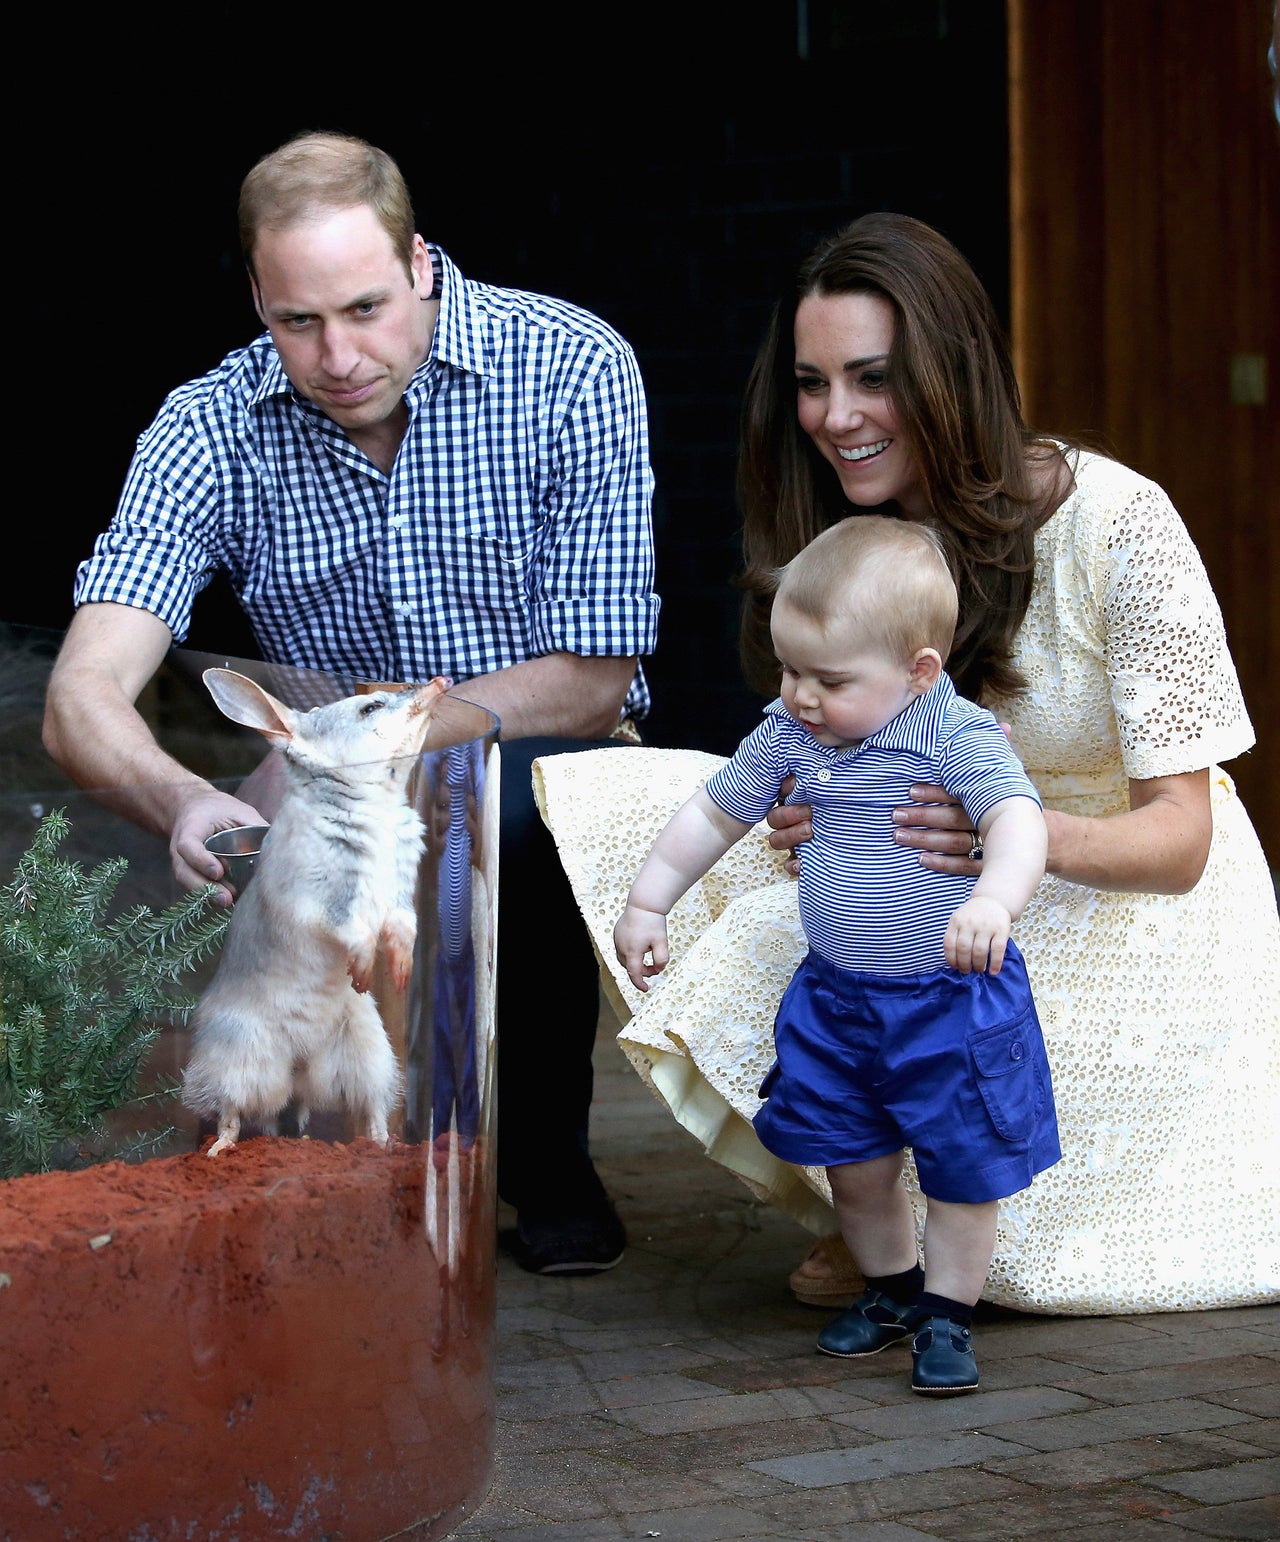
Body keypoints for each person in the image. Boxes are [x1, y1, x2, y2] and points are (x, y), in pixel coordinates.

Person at [531, 211, 1280, 1317]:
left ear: (949, 370)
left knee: (928, 1012)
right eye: (811, 381)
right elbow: (811, 747)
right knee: (678, 842)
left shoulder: (1118, 523)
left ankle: (929, 1227)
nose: (835, 417)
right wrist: (807, 803)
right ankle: (869, 1204)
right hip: (913, 876)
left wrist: (1009, 843)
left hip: (1114, 900)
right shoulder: (844, 537)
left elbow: (1182, 840)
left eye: (871, 378)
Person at [41, 130, 660, 1277]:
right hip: (325, 764)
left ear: (422, 262)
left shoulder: (571, 363)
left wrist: (371, 749)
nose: (337, 356)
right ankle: (314, 1172)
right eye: (297, 322)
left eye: (367, 308)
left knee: (491, 819)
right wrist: (185, 803)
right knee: (278, 861)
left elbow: (594, 673)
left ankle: (536, 1164)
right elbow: (81, 693)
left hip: (534, 744)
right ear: (257, 300)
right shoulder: (209, 423)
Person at [614, 515, 1055, 1393]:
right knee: (854, 1161)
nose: (801, 695)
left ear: (917, 671)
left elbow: (1017, 819)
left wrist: (993, 899)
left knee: (963, 1166)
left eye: (830, 679)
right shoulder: (790, 731)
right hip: (839, 998)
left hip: (950, 999)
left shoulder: (953, 735)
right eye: (789, 669)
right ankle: (892, 1292)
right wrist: (647, 898)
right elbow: (713, 813)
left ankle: (948, 1314)